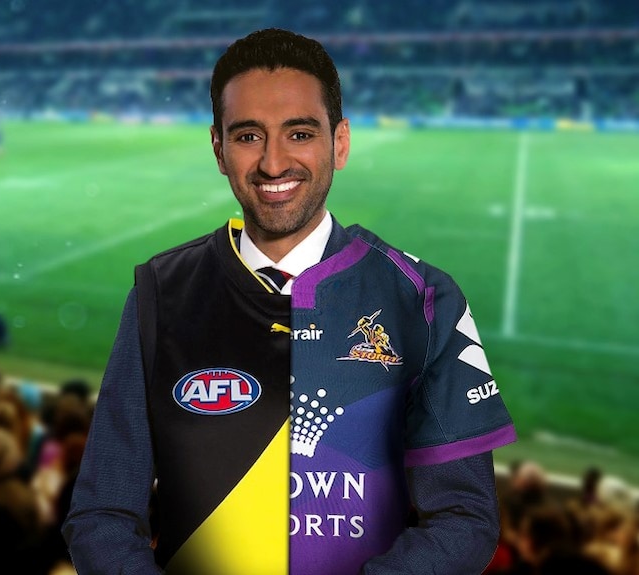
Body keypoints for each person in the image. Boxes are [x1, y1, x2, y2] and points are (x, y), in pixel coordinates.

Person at [63, 28, 516, 574]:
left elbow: (465, 516)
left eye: (299, 134)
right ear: (218, 148)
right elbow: (100, 515)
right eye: (249, 136)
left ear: (340, 143)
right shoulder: (159, 294)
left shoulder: (423, 298)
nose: (274, 164)